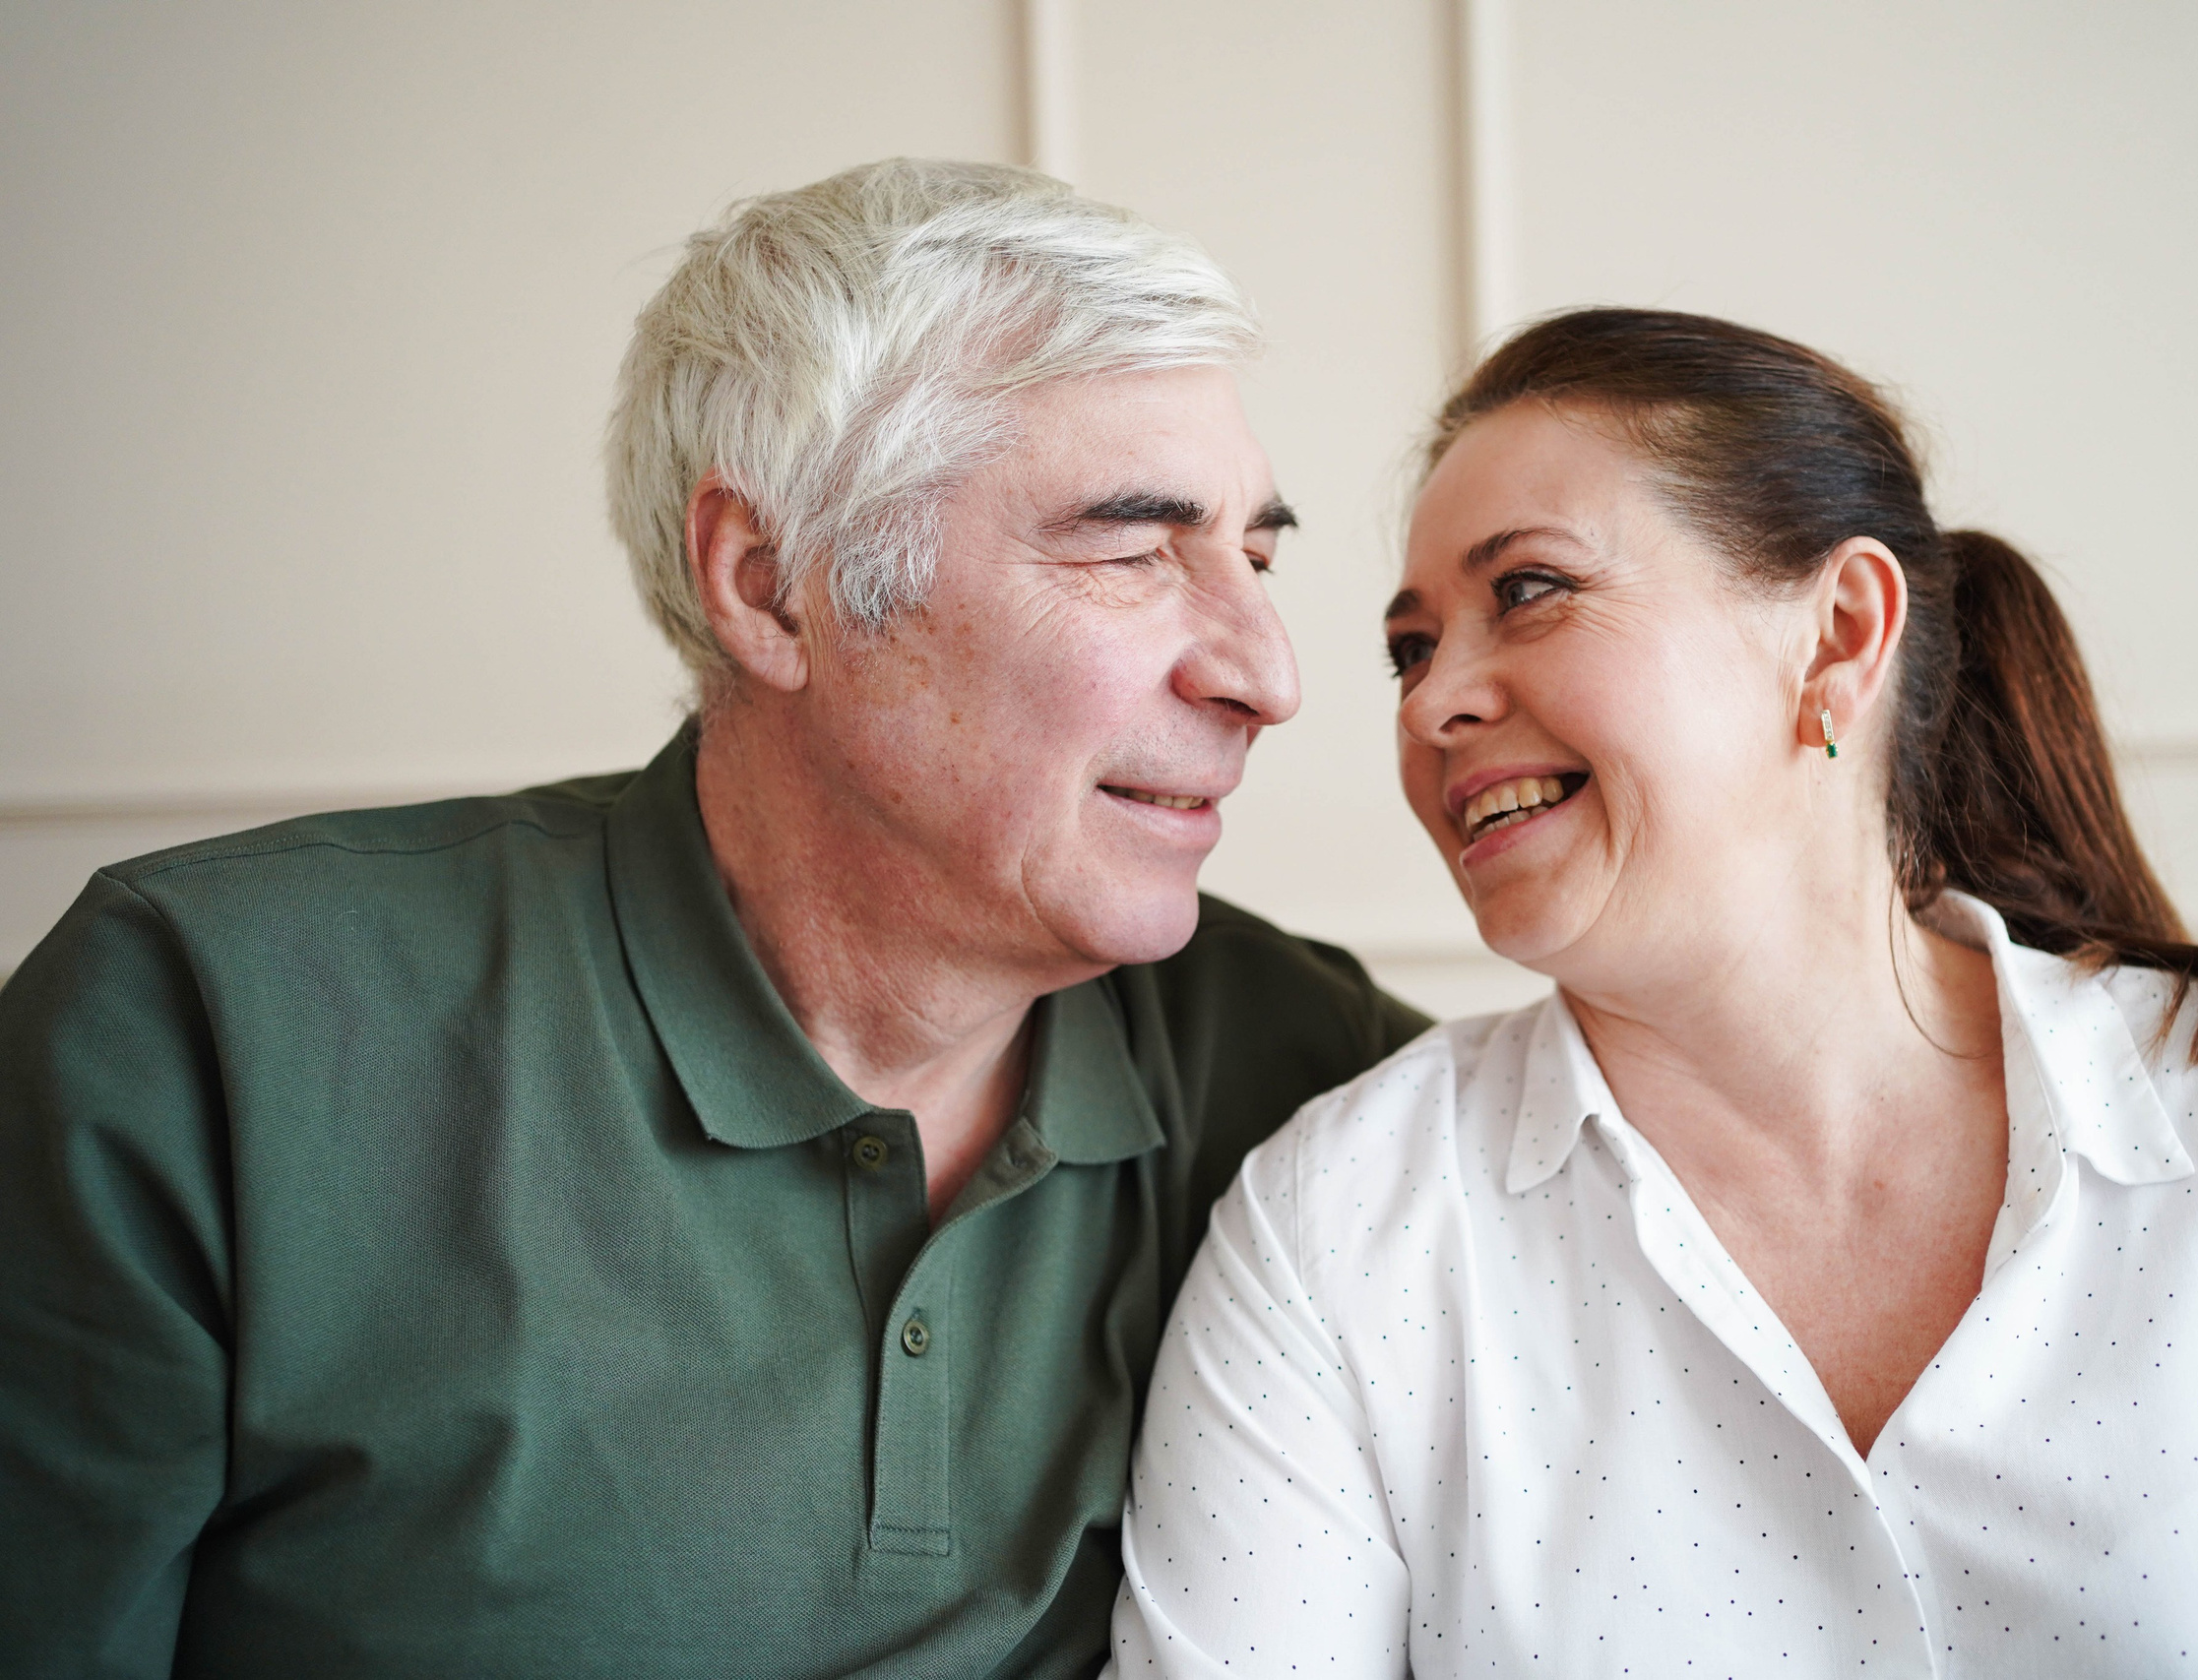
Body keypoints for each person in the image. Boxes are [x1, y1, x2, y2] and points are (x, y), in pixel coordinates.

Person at [0, 159, 1427, 1679]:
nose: (1267, 676)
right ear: (770, 589)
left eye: (1256, 556)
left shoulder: (1313, 1076)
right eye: (1135, 552)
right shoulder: (210, 1023)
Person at [1109, 308, 2198, 1675]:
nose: (1428, 704)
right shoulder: (1340, 1233)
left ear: (1840, 631)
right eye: (1411, 650)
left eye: (1526, 591)